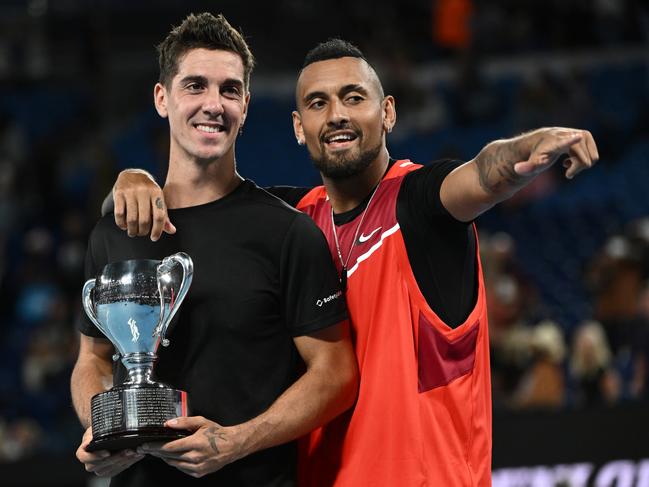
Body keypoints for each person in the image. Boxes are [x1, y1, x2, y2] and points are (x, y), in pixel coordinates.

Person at [108, 39, 599, 486]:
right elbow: (196, 204)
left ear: (387, 113)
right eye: (318, 104)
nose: (337, 114)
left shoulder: (421, 203)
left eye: (354, 97)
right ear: (300, 128)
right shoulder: (291, 221)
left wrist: (526, 150)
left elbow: (483, 176)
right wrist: (133, 180)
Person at [71, 15, 358, 487]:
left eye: (229, 90)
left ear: (245, 105)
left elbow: (337, 373)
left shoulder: (288, 232)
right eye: (195, 86)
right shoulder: (115, 230)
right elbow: (92, 360)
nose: (213, 105)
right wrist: (102, 427)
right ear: (162, 98)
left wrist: (236, 441)